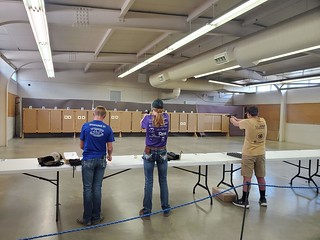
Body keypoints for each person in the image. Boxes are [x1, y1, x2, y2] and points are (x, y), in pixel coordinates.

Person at [77, 106, 115, 226]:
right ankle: (96, 217)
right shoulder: (108, 129)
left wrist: (89, 148)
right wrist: (109, 156)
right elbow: (110, 147)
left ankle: (87, 219)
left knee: (87, 188)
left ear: (93, 114)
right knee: (97, 188)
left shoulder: (86, 126)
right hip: (101, 160)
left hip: (88, 159)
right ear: (104, 116)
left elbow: (81, 146)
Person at [230, 105, 267, 208]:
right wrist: (239, 119)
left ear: (248, 114)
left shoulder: (247, 122)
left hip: (249, 153)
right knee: (261, 177)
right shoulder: (262, 121)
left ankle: (244, 200)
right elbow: (249, 121)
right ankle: (263, 199)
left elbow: (236, 124)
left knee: (247, 177)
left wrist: (232, 119)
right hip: (261, 153)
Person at [139, 98, 170, 220]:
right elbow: (161, 116)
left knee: (148, 182)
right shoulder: (167, 117)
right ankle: (166, 208)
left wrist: (146, 115)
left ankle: (147, 211)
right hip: (163, 151)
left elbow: (141, 125)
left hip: (149, 151)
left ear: (152, 108)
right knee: (163, 180)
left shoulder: (148, 118)